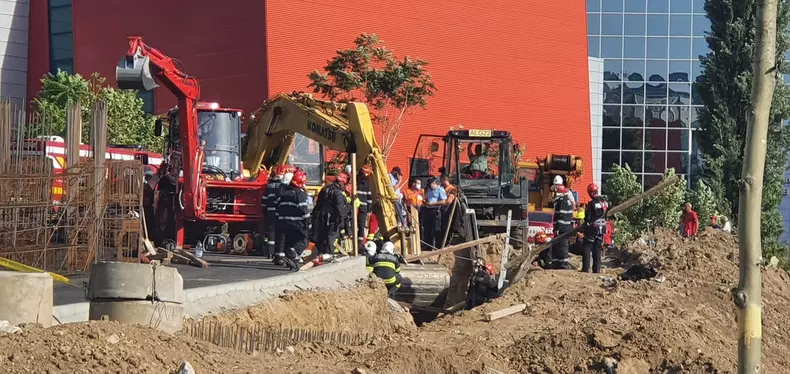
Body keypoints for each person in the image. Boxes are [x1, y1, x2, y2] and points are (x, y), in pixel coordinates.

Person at [275, 170, 310, 270]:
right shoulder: (299, 194)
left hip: (283, 222)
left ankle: (291, 262)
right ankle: (293, 254)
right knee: (303, 240)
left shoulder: (283, 192)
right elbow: (303, 209)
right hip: (297, 222)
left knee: (289, 240)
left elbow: (278, 206)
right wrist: (308, 221)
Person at [312, 172, 351, 257]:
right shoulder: (337, 193)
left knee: (321, 236)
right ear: (341, 182)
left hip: (321, 217)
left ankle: (319, 254)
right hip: (332, 218)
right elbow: (339, 208)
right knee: (330, 237)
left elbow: (318, 204)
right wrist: (341, 220)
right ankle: (329, 255)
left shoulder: (324, 189)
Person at [262, 165, 287, 259]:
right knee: (279, 232)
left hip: (269, 211)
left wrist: (265, 211)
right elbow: (280, 200)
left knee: (270, 232)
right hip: (278, 212)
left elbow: (264, 200)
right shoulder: (281, 186)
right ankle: (278, 252)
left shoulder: (269, 185)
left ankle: (270, 253)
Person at [582, 183, 608, 274]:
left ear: (592, 193)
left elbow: (587, 217)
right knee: (597, 250)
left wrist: (585, 224)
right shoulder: (605, 202)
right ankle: (596, 270)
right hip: (602, 228)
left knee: (587, 247)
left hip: (592, 228)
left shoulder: (591, 203)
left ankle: (585, 269)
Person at [550, 183, 576, 270]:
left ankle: (563, 264)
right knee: (558, 245)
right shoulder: (567, 200)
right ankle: (556, 263)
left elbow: (560, 216)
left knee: (562, 246)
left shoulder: (561, 201)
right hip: (566, 226)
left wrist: (557, 228)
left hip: (562, 227)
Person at [421, 177, 447, 249]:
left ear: (434, 183)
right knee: (427, 229)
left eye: (431, 184)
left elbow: (443, 201)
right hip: (427, 210)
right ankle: (428, 246)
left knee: (436, 229)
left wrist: (432, 203)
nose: (429, 186)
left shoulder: (440, 190)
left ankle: (437, 246)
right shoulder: (428, 190)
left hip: (435, 210)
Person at [356, 165, 374, 250]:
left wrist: (369, 209)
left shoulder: (364, 182)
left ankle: (359, 244)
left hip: (361, 208)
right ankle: (357, 244)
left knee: (360, 226)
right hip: (358, 208)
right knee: (358, 226)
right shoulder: (357, 181)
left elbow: (369, 197)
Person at [439, 174, 458, 244]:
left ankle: (447, 242)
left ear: (444, 180)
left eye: (441, 181)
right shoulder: (442, 188)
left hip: (448, 211)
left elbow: (448, 201)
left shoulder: (452, 189)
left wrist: (436, 203)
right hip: (441, 211)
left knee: (446, 228)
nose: (440, 182)